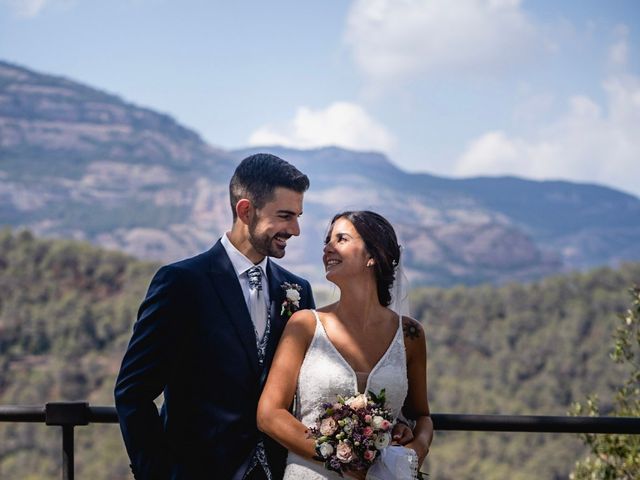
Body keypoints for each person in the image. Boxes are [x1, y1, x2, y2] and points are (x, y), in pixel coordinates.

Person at [114, 153, 316, 480]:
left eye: (298, 216)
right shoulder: (181, 283)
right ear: (245, 211)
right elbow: (133, 392)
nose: (295, 229)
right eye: (285, 216)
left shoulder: (297, 290)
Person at [257, 210, 434, 479]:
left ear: (373, 256)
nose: (327, 248)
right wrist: (338, 456)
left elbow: (422, 416)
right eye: (327, 241)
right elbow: (269, 415)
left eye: (341, 239)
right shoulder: (305, 325)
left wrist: (415, 452)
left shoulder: (409, 334)